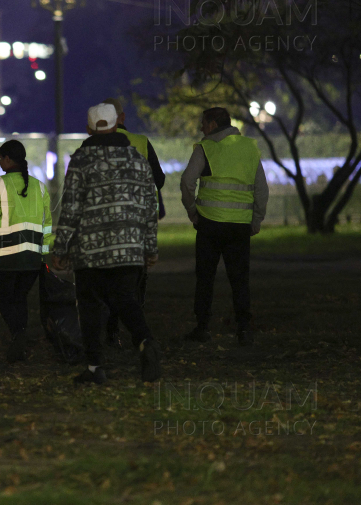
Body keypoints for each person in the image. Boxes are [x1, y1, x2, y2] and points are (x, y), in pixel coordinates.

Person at [51, 102, 161, 384]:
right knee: (126, 300)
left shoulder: (81, 160)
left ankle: (94, 367)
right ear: (115, 124)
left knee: (88, 306)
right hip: (129, 248)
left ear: (89, 128)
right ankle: (146, 341)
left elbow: (71, 208)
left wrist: (61, 247)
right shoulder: (137, 159)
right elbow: (150, 206)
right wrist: (150, 247)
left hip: (90, 251)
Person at [180, 107, 268, 346]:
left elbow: (187, 182)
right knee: (240, 279)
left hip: (209, 224)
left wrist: (192, 212)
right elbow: (261, 189)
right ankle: (244, 330)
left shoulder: (205, 149)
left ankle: (202, 327)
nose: (200, 128)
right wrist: (256, 219)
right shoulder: (249, 147)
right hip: (239, 227)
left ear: (212, 123)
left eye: (203, 123)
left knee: (205, 278)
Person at [0, 140, 53, 362]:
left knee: (4, 299)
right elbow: (46, 223)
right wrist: (44, 253)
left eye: (1, 157)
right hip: (32, 257)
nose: (0, 161)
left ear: (8, 159)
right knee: (19, 298)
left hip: (5, 256)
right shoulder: (40, 187)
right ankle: (18, 337)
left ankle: (18, 335)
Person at [102, 98, 166, 349]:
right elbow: (158, 179)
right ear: (122, 117)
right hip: (137, 222)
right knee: (135, 280)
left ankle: (110, 332)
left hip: (106, 224)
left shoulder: (91, 146)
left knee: (108, 279)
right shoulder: (141, 142)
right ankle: (137, 333)